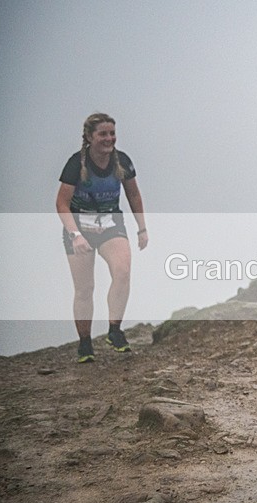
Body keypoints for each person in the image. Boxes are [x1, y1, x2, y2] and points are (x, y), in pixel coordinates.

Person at [55, 113, 148, 363]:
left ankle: (114, 330)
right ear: (89, 137)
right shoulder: (76, 164)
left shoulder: (122, 161)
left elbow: (134, 195)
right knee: (85, 289)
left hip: (110, 225)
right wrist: (75, 235)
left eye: (112, 133)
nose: (109, 139)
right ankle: (85, 344)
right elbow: (61, 204)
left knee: (123, 272)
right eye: (103, 134)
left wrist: (142, 228)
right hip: (79, 227)